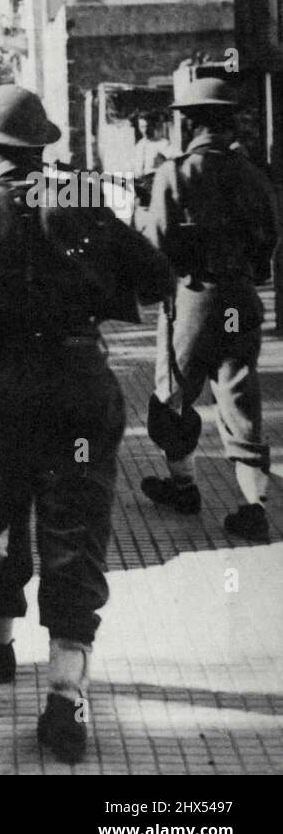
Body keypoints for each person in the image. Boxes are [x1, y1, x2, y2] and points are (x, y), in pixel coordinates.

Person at [0, 84, 170, 764]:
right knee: (78, 528)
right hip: (82, 388)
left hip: (9, 390)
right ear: (40, 148)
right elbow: (154, 276)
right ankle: (67, 695)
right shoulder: (81, 201)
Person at [137, 77, 278, 543]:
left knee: (174, 397)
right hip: (240, 300)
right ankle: (252, 507)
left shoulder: (174, 174)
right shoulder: (253, 174)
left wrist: (154, 291)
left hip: (192, 303)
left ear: (190, 122)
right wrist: (250, 272)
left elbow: (155, 248)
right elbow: (269, 238)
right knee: (241, 399)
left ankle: (185, 488)